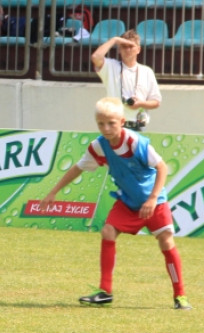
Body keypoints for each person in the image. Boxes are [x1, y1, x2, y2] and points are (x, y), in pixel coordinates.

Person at [39, 97, 190, 310]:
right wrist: (53, 192)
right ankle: (105, 292)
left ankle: (180, 296)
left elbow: (162, 167)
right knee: (108, 231)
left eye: (111, 123)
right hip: (128, 202)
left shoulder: (136, 143)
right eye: (101, 124)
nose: (106, 128)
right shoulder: (99, 147)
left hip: (153, 202)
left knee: (166, 242)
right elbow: (77, 168)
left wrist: (153, 198)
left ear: (122, 121)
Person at [90, 28, 162, 131]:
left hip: (138, 127)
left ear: (138, 49)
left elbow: (156, 102)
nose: (127, 50)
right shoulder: (111, 67)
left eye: (131, 46)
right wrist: (114, 40)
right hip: (115, 127)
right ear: (119, 49)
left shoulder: (147, 71)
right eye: (124, 46)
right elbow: (96, 57)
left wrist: (141, 103)